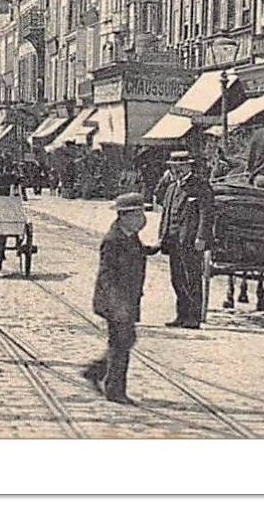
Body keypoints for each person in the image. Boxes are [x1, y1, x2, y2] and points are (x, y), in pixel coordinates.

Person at [83, 192, 153, 405]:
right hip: (115, 302)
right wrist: (117, 306)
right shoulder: (113, 240)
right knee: (121, 342)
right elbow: (107, 277)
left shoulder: (129, 235)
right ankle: (115, 390)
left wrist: (158, 248)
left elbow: (138, 252)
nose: (143, 218)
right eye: (138, 213)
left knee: (124, 340)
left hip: (127, 299)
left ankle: (96, 371)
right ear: (125, 215)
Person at [157, 149, 213, 328]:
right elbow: (165, 212)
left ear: (189, 166)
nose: (177, 170)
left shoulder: (200, 186)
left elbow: (206, 213)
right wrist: (162, 236)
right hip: (173, 240)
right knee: (177, 279)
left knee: (192, 278)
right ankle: (181, 315)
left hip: (190, 240)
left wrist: (202, 237)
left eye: (180, 166)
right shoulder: (172, 187)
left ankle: (193, 318)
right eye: (174, 167)